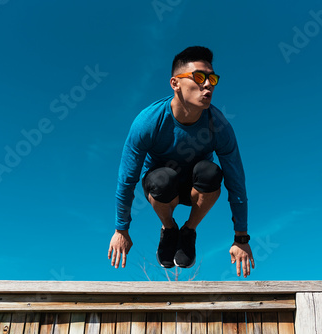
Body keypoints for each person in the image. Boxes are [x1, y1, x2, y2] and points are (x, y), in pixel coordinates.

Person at [108, 46, 255, 278]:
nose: (208, 85)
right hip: (162, 186)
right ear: (175, 83)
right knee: (163, 178)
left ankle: (188, 231)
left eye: (212, 79)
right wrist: (121, 229)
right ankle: (169, 228)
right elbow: (127, 179)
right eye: (199, 77)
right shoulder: (148, 122)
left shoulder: (219, 126)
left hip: (196, 187)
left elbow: (237, 182)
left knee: (210, 172)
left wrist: (241, 238)